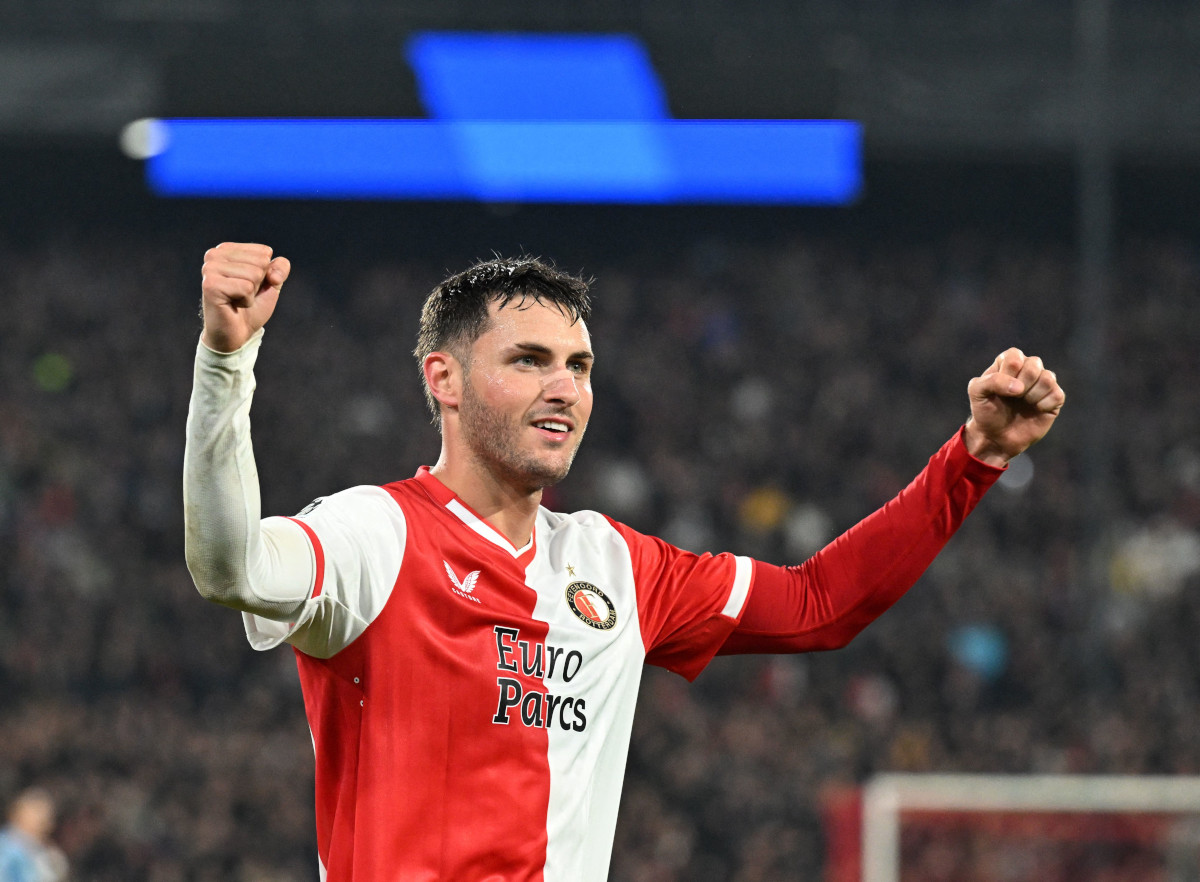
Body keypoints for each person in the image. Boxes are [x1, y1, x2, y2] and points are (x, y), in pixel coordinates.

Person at [183, 242, 1064, 881]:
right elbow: (231, 568)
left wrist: (975, 456)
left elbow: (820, 604)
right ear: (442, 379)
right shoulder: (376, 534)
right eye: (528, 361)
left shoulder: (611, 566)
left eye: (578, 365)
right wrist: (227, 363)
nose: (563, 386)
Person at [0, 789, 68, 882]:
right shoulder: (5, 848)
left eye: (45, 815)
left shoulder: (51, 856)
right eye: (36, 811)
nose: (42, 819)